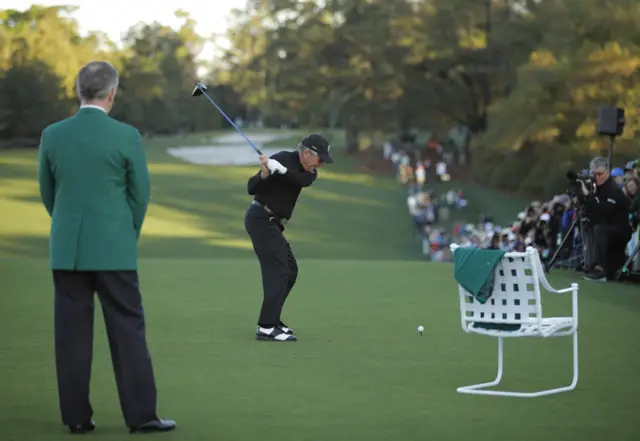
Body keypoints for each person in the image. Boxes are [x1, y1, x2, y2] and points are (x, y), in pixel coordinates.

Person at [37, 61, 175, 434]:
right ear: (111, 94)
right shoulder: (126, 136)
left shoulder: (52, 134)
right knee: (128, 330)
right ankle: (142, 416)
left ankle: (77, 419)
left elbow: (48, 193)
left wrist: (68, 228)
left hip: (68, 251)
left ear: (77, 90)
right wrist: (127, 231)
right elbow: (140, 194)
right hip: (114, 249)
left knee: (71, 337)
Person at [244, 134, 334, 342]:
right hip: (260, 218)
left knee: (290, 271)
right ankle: (266, 326)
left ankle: (272, 320)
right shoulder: (282, 157)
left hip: (274, 224)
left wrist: (282, 171)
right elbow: (251, 187)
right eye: (320, 159)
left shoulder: (308, 173)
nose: (321, 165)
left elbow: (300, 180)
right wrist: (265, 175)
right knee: (279, 271)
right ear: (305, 154)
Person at [580, 157, 632, 281]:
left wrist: (589, 196)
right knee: (594, 226)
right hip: (608, 229)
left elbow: (604, 210)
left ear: (607, 173)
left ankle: (600, 269)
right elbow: (589, 211)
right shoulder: (596, 189)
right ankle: (592, 263)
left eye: (599, 174)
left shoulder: (613, 190)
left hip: (621, 230)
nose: (596, 177)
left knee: (600, 229)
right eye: (594, 174)